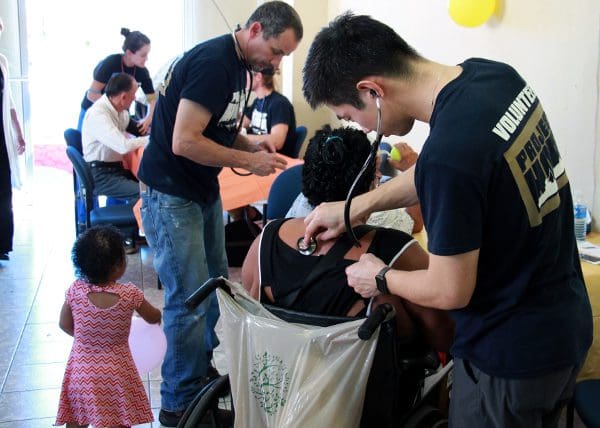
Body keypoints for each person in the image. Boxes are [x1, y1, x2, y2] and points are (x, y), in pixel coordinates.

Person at [301, 12, 593, 427]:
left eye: (351, 114)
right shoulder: (493, 78)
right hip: (564, 322)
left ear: (372, 91)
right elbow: (446, 174)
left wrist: (380, 278)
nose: (361, 128)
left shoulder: (449, 155)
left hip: (508, 358)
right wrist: (355, 207)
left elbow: (449, 289)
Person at [137, 2, 303, 425]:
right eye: (277, 50)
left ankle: (199, 377)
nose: (277, 62)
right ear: (256, 29)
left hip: (200, 191)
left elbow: (218, 126)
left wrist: (250, 145)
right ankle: (178, 401)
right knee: (188, 298)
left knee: (213, 291)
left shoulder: (238, 65)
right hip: (171, 194)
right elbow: (184, 141)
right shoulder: (214, 63)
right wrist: (248, 161)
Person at [241, 126, 453, 351]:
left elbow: (253, 317)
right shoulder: (397, 252)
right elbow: (447, 336)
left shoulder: (265, 241)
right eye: (376, 175)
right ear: (371, 184)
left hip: (285, 377)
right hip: (366, 384)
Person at [55, 225, 161, 428]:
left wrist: (86, 339)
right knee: (116, 419)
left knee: (77, 417)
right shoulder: (130, 294)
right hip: (116, 372)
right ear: (118, 265)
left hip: (82, 370)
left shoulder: (75, 291)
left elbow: (64, 324)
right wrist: (158, 316)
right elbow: (151, 316)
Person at [286, 125, 423, 234]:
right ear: (357, 188)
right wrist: (414, 168)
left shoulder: (304, 199)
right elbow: (414, 222)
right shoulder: (375, 219)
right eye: (376, 172)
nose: (380, 176)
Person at [82, 73, 147, 254]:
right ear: (123, 97)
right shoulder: (98, 114)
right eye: (133, 96)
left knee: (149, 182)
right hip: (101, 174)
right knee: (143, 192)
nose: (134, 100)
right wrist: (149, 140)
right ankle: (124, 236)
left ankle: (135, 232)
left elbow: (136, 129)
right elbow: (123, 145)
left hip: (114, 168)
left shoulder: (118, 111)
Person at [78, 28, 156, 134]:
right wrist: (115, 110)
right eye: (143, 55)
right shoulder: (111, 63)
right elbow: (92, 94)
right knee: (83, 145)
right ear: (129, 53)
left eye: (147, 54)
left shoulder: (142, 72)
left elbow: (152, 98)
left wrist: (149, 117)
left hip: (118, 113)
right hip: (93, 108)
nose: (146, 59)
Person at [0, 17, 26, 262]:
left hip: (1, 133)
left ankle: (2, 244)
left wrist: (18, 130)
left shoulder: (2, 61)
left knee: (4, 190)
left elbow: (9, 101)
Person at [242, 66, 297, 157]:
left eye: (246, 74)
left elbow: (277, 141)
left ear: (258, 77)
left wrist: (242, 138)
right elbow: (241, 125)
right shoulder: (257, 102)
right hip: (259, 156)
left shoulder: (280, 104)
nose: (243, 77)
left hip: (276, 161)